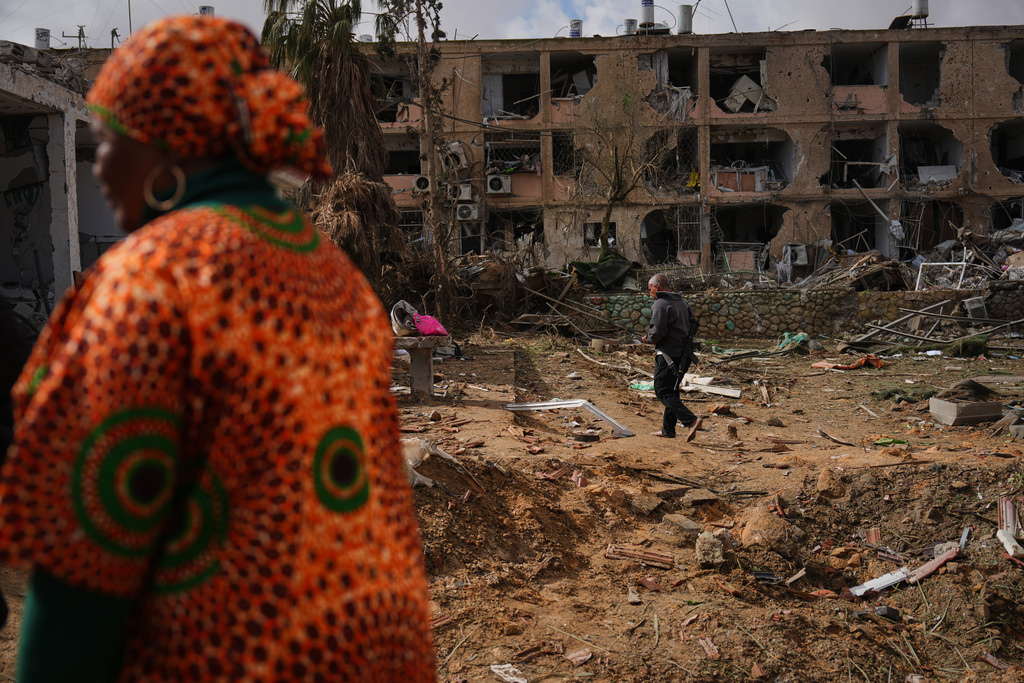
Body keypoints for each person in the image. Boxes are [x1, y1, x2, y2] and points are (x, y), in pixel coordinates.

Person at [0, 16, 435, 682]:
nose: (103, 166)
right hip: (365, 649)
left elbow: (85, 560)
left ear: (168, 146)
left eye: (112, 141)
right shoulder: (331, 274)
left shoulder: (150, 279)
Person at [642, 273, 702, 442]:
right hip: (683, 355)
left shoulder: (661, 304)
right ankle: (668, 430)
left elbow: (658, 332)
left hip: (668, 355)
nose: (650, 294)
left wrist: (648, 339)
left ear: (656, 287)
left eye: (650, 290)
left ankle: (691, 420)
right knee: (672, 391)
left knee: (662, 391)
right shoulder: (681, 302)